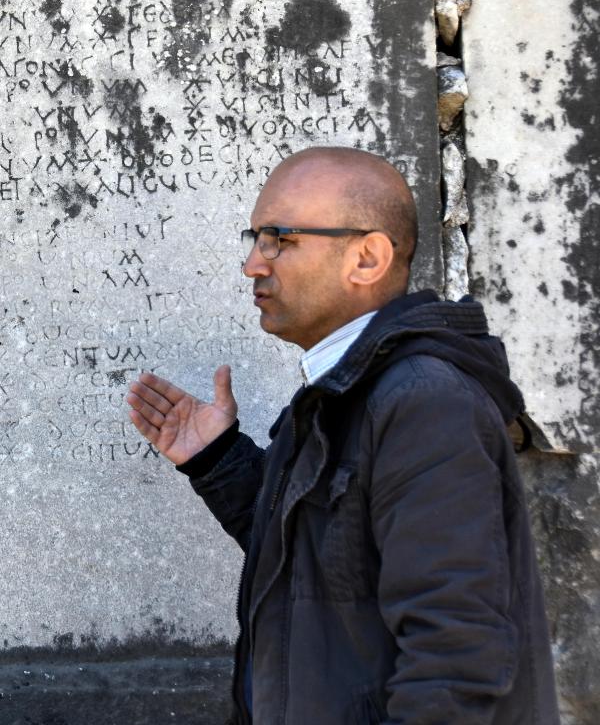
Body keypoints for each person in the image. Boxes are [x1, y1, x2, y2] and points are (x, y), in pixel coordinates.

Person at [127, 147, 559, 724]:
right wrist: (219, 460)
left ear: (367, 258)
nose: (253, 265)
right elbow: (317, 564)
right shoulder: (345, 391)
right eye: (255, 239)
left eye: (279, 239)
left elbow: (455, 656)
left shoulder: (424, 402)